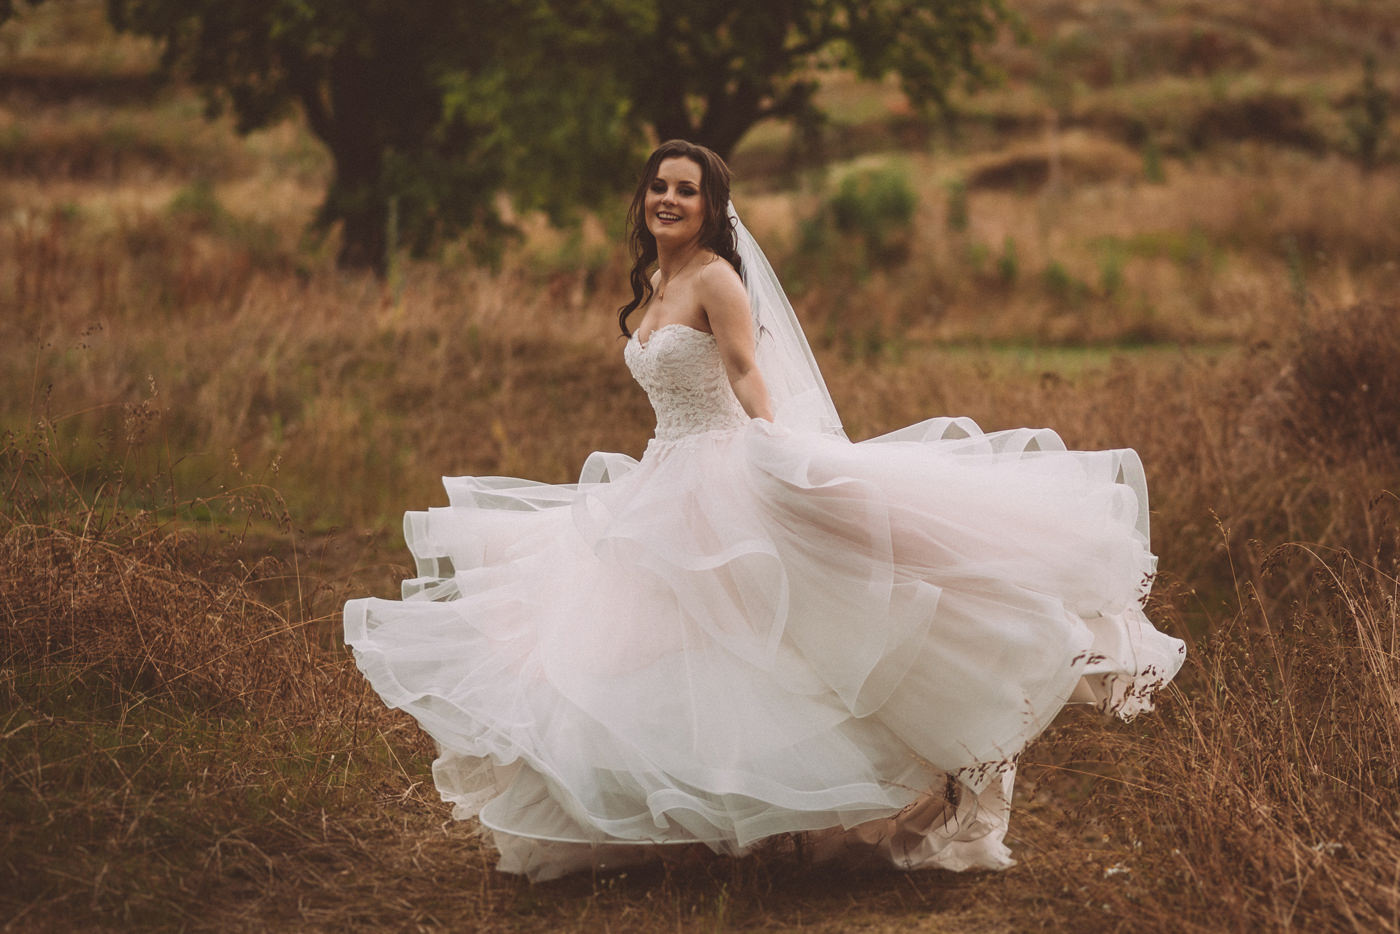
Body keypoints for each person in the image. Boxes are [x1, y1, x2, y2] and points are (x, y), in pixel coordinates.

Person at [343, 140, 1185, 882]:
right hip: (662, 473)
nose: (668, 199)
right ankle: (650, 815)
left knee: (764, 649)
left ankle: (833, 805)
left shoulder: (714, 278)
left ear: (712, 206)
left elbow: (747, 374)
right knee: (646, 648)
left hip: (719, 467)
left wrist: (780, 450)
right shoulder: (656, 278)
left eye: (687, 189)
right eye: (658, 187)